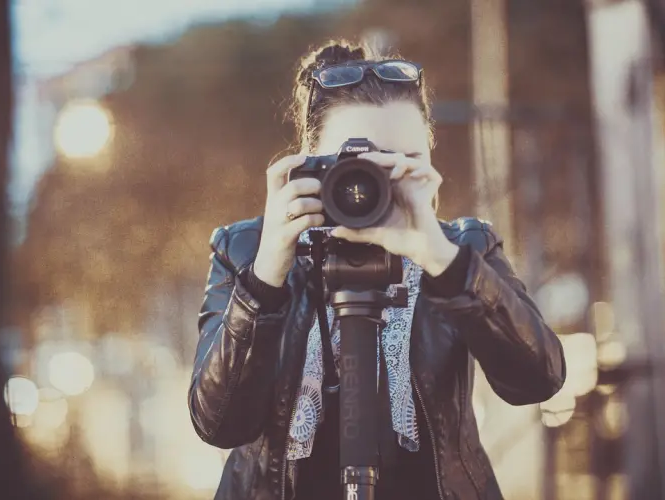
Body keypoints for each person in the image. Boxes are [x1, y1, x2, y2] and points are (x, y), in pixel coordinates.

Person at [189, 39, 566, 500]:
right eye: (358, 163)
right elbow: (218, 423)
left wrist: (442, 261)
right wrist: (266, 274)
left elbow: (538, 380)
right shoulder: (246, 249)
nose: (375, 186)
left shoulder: (462, 249)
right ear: (309, 162)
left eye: (403, 164)